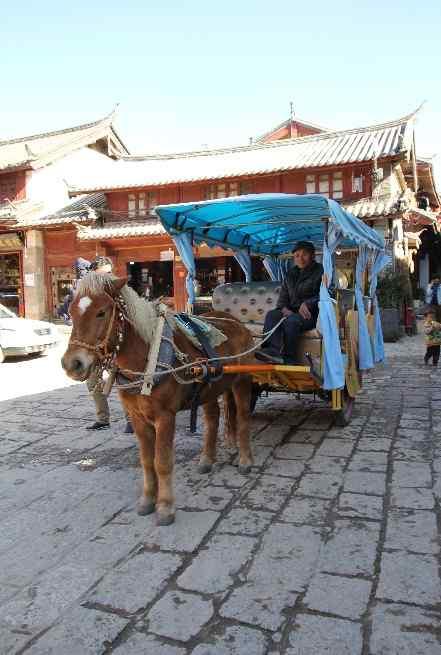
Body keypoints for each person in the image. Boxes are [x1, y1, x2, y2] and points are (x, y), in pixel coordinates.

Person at [84, 256, 133, 434]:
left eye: (105, 272)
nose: (103, 276)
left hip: (116, 343)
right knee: (92, 381)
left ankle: (131, 419)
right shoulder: (89, 292)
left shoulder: (118, 288)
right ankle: (102, 419)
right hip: (95, 345)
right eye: (98, 273)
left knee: (123, 381)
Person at [255, 241, 323, 365]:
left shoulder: (320, 271)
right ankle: (272, 352)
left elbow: (326, 294)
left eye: (304, 254)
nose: (300, 258)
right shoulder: (290, 274)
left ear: (312, 256)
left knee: (291, 321)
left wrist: (308, 303)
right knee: (272, 314)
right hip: (292, 313)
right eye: (297, 255)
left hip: (311, 315)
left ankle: (289, 359)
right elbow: (282, 300)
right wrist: (284, 309)